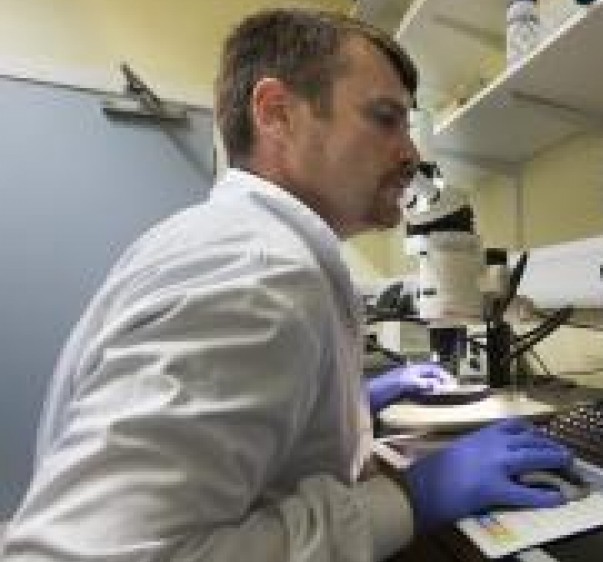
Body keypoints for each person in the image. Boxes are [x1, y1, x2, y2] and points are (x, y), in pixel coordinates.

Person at [2, 9, 573, 562]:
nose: (410, 154)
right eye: (383, 117)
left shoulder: (229, 241)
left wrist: (348, 405)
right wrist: (410, 497)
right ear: (277, 113)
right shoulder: (257, 272)